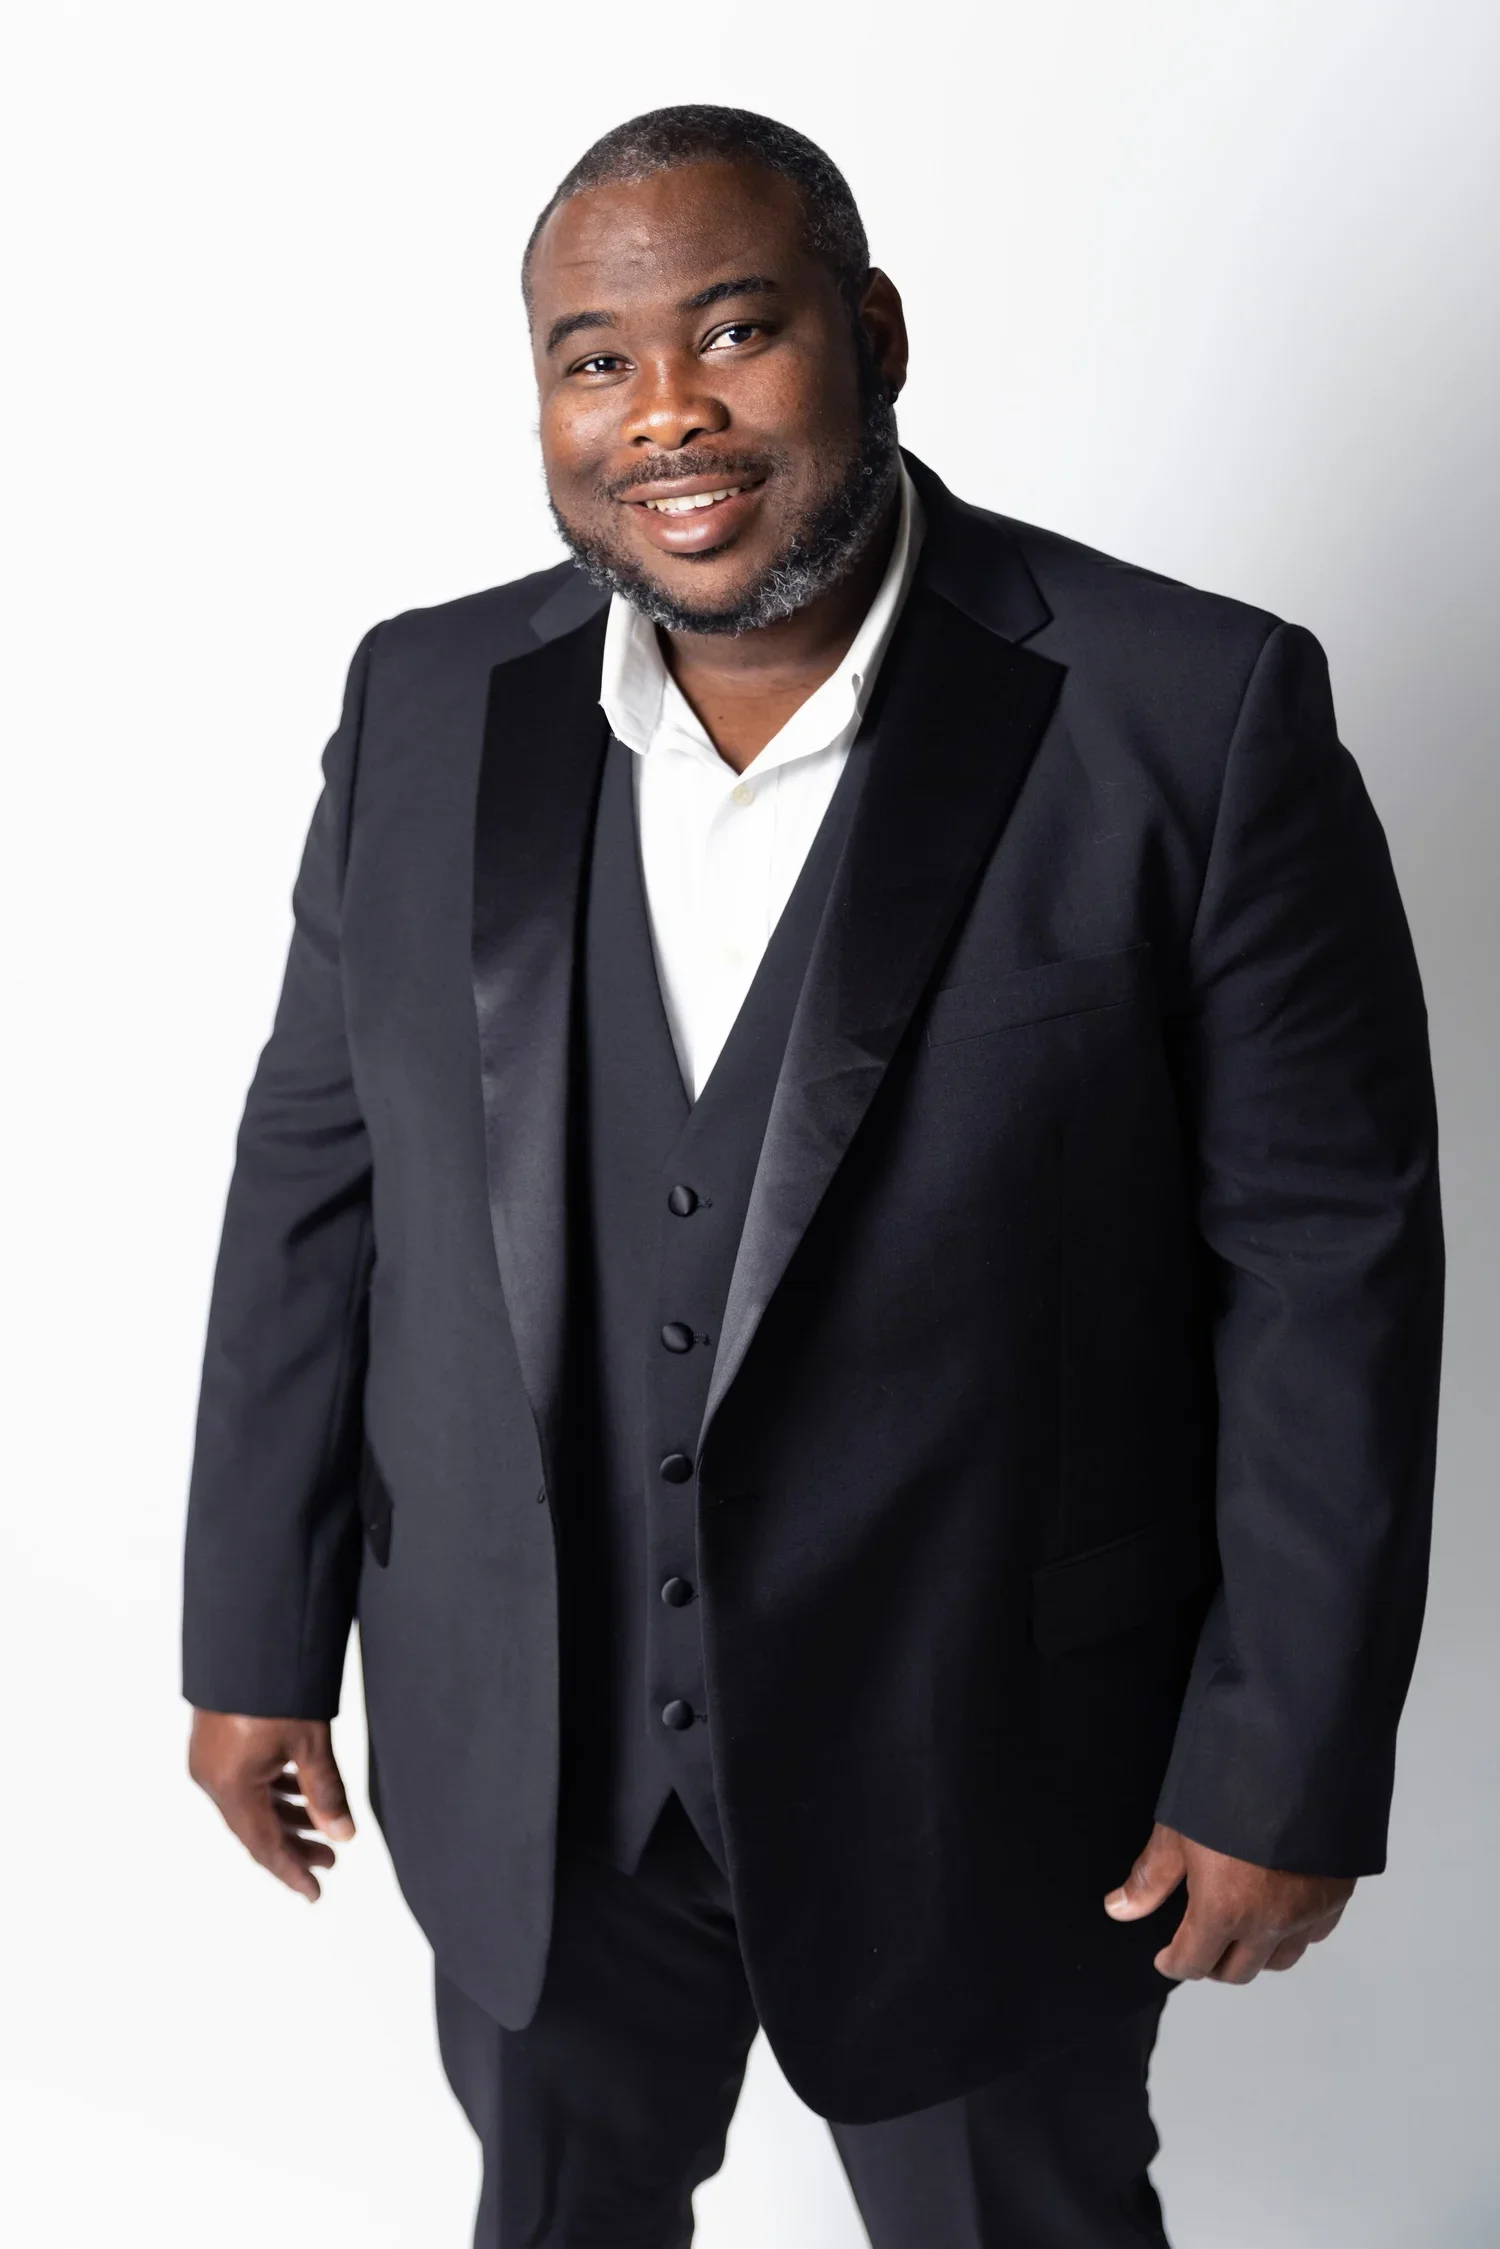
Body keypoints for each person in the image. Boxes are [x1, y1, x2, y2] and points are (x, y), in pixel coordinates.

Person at [182, 105, 1444, 2248]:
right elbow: (321, 1169)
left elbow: (1326, 1263)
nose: (662, 410)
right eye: (593, 360)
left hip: (989, 1761)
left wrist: (1285, 1748)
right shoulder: (422, 705)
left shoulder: (1190, 709)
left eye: (733, 332)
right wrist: (253, 1623)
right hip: (533, 1757)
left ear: (870, 333)